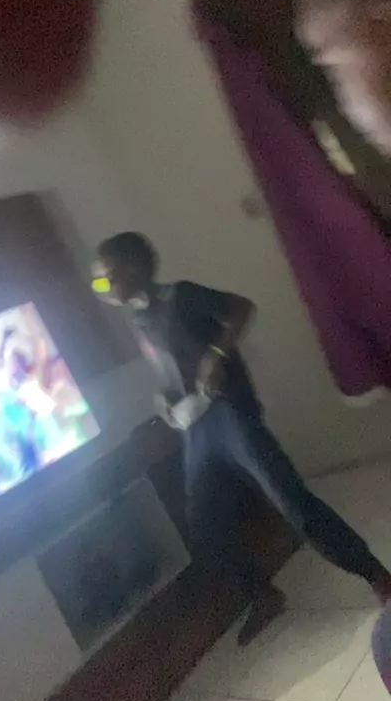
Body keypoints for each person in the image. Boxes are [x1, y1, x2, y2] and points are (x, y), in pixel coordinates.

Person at [93, 232, 391, 645]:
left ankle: (377, 577)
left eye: (105, 279)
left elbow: (241, 307)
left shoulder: (182, 296)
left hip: (230, 414)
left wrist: (216, 356)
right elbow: (171, 367)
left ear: (132, 269)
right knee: (204, 527)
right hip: (196, 430)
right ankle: (263, 595)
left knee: (291, 502)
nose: (101, 289)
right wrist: (163, 400)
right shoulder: (136, 318)